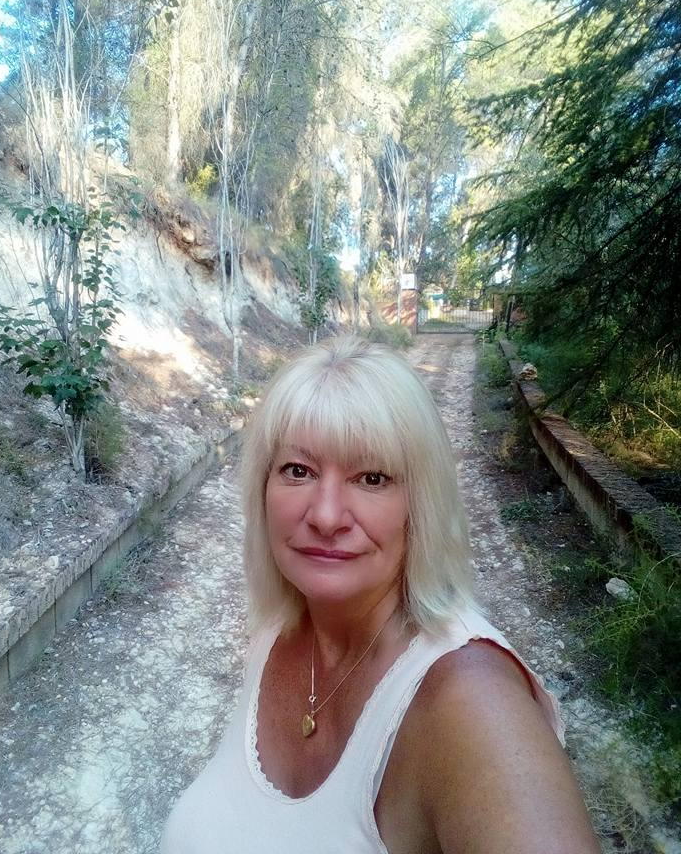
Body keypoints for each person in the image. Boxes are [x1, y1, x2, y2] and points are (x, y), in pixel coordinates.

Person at [161, 336, 600, 853]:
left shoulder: (471, 699)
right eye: (298, 471)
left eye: (372, 477)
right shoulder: (279, 627)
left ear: (421, 504)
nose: (326, 516)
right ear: (262, 489)